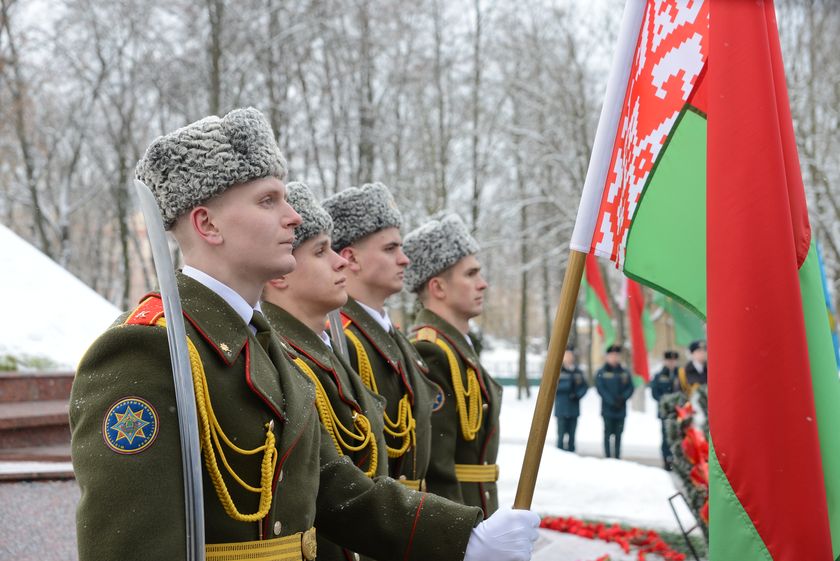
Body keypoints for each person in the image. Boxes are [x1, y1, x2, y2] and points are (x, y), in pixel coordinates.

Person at [70, 108, 539, 561]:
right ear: (207, 224)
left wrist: (464, 540)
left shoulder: (260, 343)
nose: (293, 217)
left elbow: (337, 490)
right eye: (268, 201)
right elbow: (131, 546)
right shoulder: (149, 349)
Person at [322, 183, 436, 489]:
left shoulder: (392, 337)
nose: (404, 259)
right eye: (390, 249)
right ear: (351, 258)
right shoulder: (342, 340)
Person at [402, 214, 503, 518]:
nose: (482, 284)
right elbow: (437, 467)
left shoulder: (457, 348)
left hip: (476, 507)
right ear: (438, 287)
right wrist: (463, 532)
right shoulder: (431, 351)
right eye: (471, 274)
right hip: (459, 515)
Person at [595, 344, 634, 459]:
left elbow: (630, 388)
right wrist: (612, 401)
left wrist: (622, 398)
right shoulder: (602, 372)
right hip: (608, 409)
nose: (614, 357)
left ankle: (617, 457)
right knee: (607, 434)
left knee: (618, 435)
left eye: (616, 355)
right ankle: (607, 457)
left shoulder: (624, 372)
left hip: (621, 409)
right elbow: (601, 389)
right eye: (612, 355)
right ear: (607, 357)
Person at [554, 347, 588, 452]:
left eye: (570, 355)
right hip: (561, 408)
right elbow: (553, 387)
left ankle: (571, 453)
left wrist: (577, 394)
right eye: (566, 355)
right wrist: (569, 385)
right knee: (560, 436)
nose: (569, 357)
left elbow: (584, 386)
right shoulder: (557, 370)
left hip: (573, 408)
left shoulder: (578, 371)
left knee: (572, 436)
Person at [650, 350, 680, 469]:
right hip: (665, 412)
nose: (671, 363)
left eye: (673, 360)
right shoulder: (659, 376)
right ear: (664, 361)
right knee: (666, 437)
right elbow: (654, 393)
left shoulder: (681, 374)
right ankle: (666, 459)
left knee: (677, 437)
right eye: (669, 360)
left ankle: (676, 460)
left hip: (678, 411)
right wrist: (666, 402)